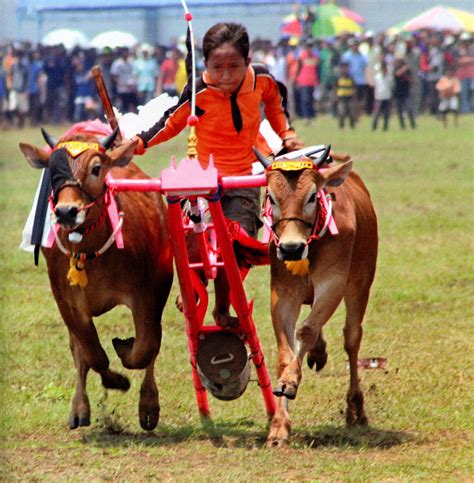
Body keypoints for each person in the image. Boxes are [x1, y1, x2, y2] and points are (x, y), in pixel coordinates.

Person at [132, 22, 304, 327]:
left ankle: (222, 308)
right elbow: (171, 122)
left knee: (236, 248)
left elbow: (275, 106)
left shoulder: (261, 79)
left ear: (248, 62)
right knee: (195, 243)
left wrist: (286, 133)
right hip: (200, 181)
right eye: (216, 67)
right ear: (205, 64)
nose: (225, 76)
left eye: (234, 66)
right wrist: (139, 143)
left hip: (242, 179)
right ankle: (194, 289)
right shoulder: (199, 91)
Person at [393, 58, 416, 130]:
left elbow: (411, 80)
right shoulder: (395, 69)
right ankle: (402, 126)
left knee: (409, 109)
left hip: (406, 92)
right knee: (399, 111)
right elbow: (397, 74)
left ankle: (413, 125)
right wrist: (404, 69)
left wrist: (405, 75)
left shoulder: (407, 71)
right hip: (397, 93)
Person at [372, 60, 393, 131]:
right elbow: (375, 87)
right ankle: (374, 127)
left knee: (386, 114)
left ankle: (385, 128)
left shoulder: (389, 78)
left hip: (387, 97)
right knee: (376, 114)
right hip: (379, 98)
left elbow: (391, 86)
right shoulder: (377, 77)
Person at [335, 61, 355, 129]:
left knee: (351, 112)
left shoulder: (351, 77)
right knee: (342, 112)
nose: (345, 69)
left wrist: (355, 97)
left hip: (349, 97)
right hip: (341, 97)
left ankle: (352, 125)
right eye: (343, 67)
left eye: (346, 67)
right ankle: (341, 126)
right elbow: (335, 88)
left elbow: (354, 88)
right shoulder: (338, 77)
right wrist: (335, 97)